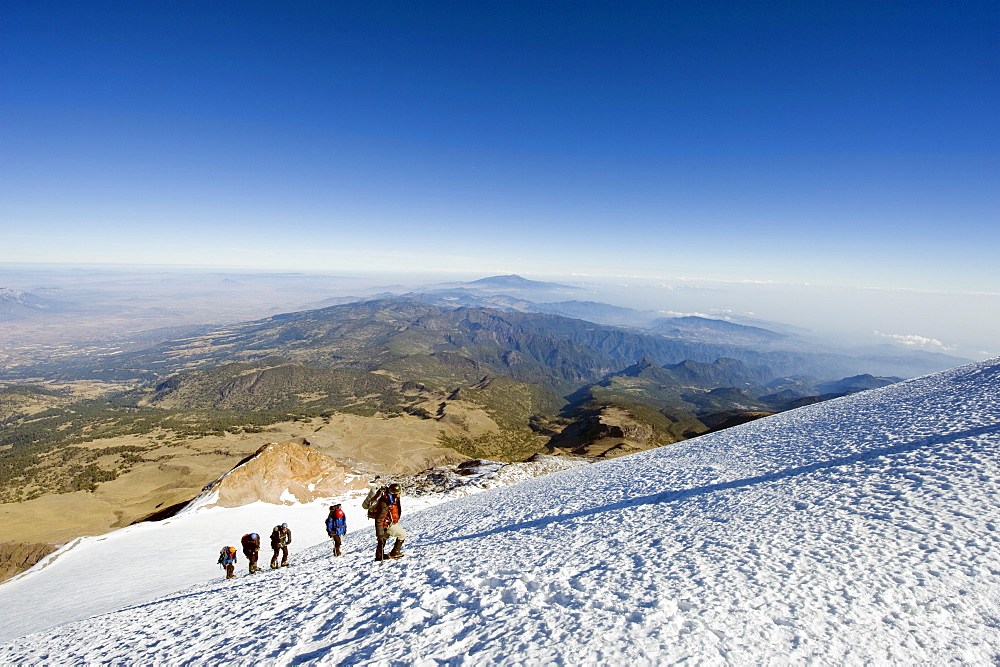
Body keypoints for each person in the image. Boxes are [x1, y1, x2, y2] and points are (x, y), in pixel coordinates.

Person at [371, 483, 405, 562]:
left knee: (383, 538)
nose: (400, 494)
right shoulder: (386, 503)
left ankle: (379, 556)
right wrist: (379, 533)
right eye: (399, 493)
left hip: (388, 523)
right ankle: (395, 552)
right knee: (402, 534)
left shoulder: (393, 499)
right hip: (387, 524)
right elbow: (379, 519)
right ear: (395, 494)